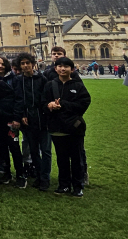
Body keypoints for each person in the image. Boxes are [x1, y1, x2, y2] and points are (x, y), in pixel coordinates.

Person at [44, 57, 91, 197]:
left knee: (77, 158)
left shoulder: (78, 86)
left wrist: (63, 104)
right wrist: (49, 106)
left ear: (72, 69)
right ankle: (63, 185)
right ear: (55, 68)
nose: (62, 69)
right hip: (57, 127)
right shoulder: (50, 85)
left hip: (74, 128)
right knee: (62, 158)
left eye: (66, 66)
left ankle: (78, 186)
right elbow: (42, 104)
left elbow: (84, 104)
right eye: (59, 66)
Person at [13, 53, 51, 191]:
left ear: (33, 63)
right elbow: (18, 99)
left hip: (43, 119)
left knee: (46, 151)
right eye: (22, 63)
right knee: (34, 151)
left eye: (27, 63)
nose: (25, 66)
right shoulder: (18, 80)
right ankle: (39, 176)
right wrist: (21, 115)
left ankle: (45, 178)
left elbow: (45, 99)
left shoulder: (42, 79)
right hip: (28, 120)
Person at [0, 55, 25, 187]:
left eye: (2, 64)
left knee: (14, 147)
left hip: (10, 119)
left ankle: (20, 175)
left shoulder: (14, 79)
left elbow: (18, 98)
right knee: (2, 147)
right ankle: (6, 173)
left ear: (6, 66)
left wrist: (17, 118)